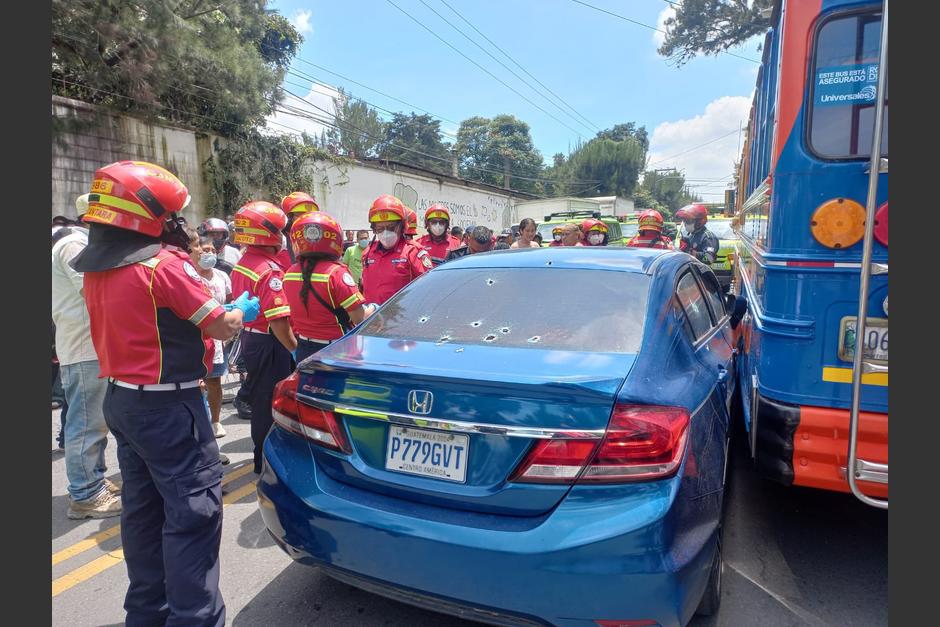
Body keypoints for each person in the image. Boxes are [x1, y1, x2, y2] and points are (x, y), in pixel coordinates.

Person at [71, 160, 260, 626]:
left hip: (122, 400)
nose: (177, 224)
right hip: (169, 405)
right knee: (194, 514)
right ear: (147, 215)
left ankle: (146, 614)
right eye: (171, 215)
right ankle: (194, 618)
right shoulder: (162, 266)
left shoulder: (97, 267)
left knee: (143, 512)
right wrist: (240, 311)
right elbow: (220, 324)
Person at [52, 223, 120, 519]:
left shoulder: (77, 242)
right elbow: (94, 291)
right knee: (86, 424)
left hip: (90, 346)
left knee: (96, 421)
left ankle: (94, 479)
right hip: (84, 347)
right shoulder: (73, 245)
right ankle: (85, 494)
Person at [230, 201, 298, 474]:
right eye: (280, 231)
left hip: (252, 339)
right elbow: (278, 320)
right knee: (273, 403)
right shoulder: (269, 271)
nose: (283, 236)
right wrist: (295, 349)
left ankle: (261, 458)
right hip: (270, 343)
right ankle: (268, 460)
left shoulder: (244, 263)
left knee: (261, 401)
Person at [284, 212, 376, 362]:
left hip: (303, 348)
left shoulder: (289, 274)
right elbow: (359, 318)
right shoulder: (336, 273)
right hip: (336, 350)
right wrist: (374, 308)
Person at [189, 229, 233, 439]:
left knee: (214, 381)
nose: (209, 254)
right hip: (195, 337)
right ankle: (200, 423)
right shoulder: (189, 276)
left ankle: (215, 422)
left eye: (213, 250)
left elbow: (230, 301)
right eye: (204, 249)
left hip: (218, 337)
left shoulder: (222, 276)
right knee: (196, 383)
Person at [361, 195, 432, 305]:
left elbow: (428, 289)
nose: (385, 233)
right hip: (372, 315)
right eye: (380, 228)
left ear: (402, 227)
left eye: (391, 228)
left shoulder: (413, 252)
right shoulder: (368, 253)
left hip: (402, 314)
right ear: (374, 229)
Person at [278, 191, 320, 266]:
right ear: (288, 217)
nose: (306, 220)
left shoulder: (316, 239)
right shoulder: (280, 240)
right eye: (300, 215)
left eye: (309, 216)